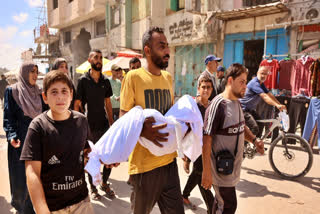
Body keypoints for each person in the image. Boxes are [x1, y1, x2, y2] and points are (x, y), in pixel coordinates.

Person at [120, 27, 184, 214]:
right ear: (147, 50)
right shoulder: (133, 77)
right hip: (144, 167)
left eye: (167, 46)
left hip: (169, 163)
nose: (167, 51)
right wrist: (141, 130)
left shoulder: (168, 78)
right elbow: (123, 119)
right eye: (161, 46)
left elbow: (170, 116)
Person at [20, 70, 94, 214]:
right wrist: (42, 210)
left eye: (64, 91)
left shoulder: (81, 121)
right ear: (45, 97)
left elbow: (88, 152)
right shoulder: (38, 127)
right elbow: (32, 173)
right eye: (54, 92)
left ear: (71, 94)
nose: (60, 97)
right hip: (53, 207)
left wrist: (104, 158)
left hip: (81, 202)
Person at [201, 63, 265, 214]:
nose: (245, 86)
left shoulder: (236, 102)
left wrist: (255, 141)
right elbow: (207, 138)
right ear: (230, 81)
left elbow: (241, 127)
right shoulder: (218, 105)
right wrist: (206, 172)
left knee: (221, 204)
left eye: (246, 82)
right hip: (220, 170)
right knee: (229, 206)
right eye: (242, 82)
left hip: (231, 169)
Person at [3, 62, 45, 214]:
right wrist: (12, 135)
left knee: (38, 177)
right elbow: (8, 118)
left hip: (39, 140)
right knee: (21, 179)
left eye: (36, 71)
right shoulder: (12, 91)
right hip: (20, 142)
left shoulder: (40, 93)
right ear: (24, 73)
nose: (35, 75)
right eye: (31, 71)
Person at [74, 49, 115, 200]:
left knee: (108, 157)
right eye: (96, 58)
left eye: (100, 58)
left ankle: (104, 183)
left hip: (104, 125)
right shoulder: (83, 81)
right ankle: (93, 188)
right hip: (89, 127)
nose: (99, 60)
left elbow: (108, 104)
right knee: (92, 158)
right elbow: (77, 104)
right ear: (89, 60)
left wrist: (112, 124)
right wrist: (79, 125)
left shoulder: (105, 81)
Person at [181, 75, 215, 214]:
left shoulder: (213, 106)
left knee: (197, 173)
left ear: (212, 89)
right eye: (203, 87)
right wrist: (185, 156)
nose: (206, 90)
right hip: (195, 148)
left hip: (209, 148)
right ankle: (211, 208)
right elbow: (184, 130)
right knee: (201, 175)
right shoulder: (193, 107)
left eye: (208, 87)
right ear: (198, 89)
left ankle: (184, 195)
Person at [239, 66, 286, 138]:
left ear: (267, 76)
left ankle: (257, 146)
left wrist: (279, 104)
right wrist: (277, 105)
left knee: (260, 124)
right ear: (257, 73)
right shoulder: (255, 83)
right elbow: (264, 96)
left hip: (250, 110)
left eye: (265, 74)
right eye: (262, 73)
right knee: (254, 128)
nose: (263, 75)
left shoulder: (261, 84)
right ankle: (243, 146)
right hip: (242, 109)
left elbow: (269, 94)